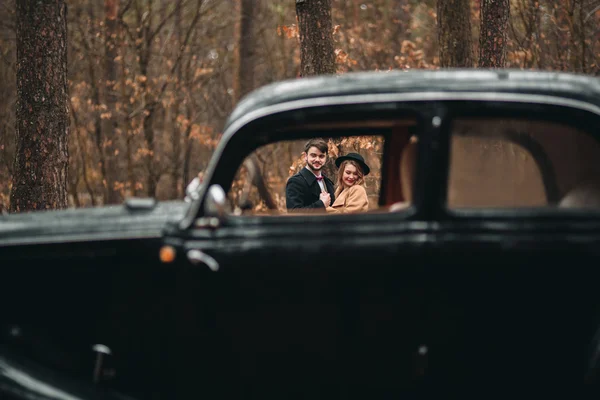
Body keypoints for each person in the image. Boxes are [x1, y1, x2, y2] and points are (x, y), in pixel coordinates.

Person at [286, 138, 336, 211]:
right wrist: (321, 204)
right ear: (306, 156)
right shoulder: (295, 182)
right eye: (313, 155)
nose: (317, 159)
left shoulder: (328, 182)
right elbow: (294, 213)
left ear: (326, 158)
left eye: (321, 156)